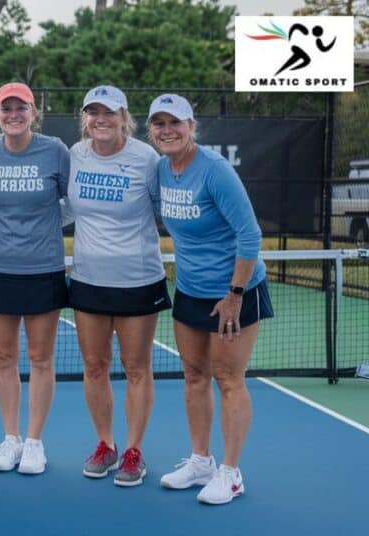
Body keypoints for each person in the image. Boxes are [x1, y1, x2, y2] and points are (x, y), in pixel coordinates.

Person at [147, 94, 273, 505]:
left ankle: (231, 474)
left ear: (191, 126)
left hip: (235, 292)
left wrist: (234, 294)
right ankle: (201, 460)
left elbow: (250, 234)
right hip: (190, 290)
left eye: (175, 123)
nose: (167, 130)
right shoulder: (163, 170)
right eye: (159, 123)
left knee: (228, 379)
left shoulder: (215, 171)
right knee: (194, 376)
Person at [66, 86, 167, 486]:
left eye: (108, 112)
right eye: (93, 112)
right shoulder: (76, 154)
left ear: (124, 116)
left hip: (138, 280)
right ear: (86, 118)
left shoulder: (146, 158)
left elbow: (166, 207)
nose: (100, 119)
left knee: (137, 368)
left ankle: (133, 452)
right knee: (95, 367)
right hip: (88, 280)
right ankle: (105, 445)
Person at [0, 83, 70, 475]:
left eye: (21, 107)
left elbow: (71, 202)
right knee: (4, 358)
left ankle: (34, 442)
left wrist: (43, 230)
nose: (14, 114)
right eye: (6, 108)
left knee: (41, 358)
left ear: (34, 112)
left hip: (44, 269)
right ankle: (10, 438)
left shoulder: (55, 151)